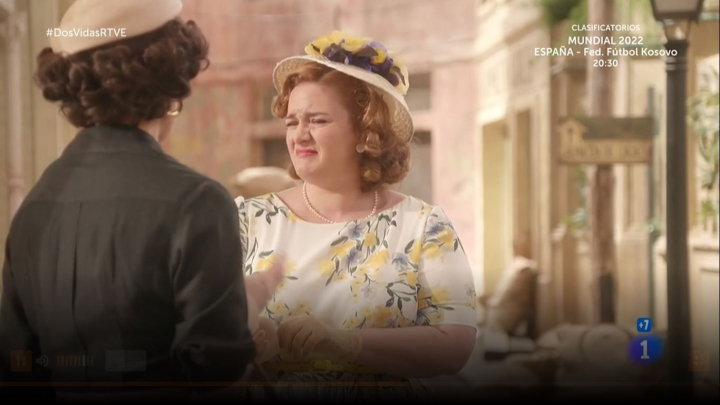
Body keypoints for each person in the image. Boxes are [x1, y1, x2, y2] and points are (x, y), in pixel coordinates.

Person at [0, 0, 282, 401]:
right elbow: (218, 370)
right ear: (168, 83)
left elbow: (18, 366)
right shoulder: (197, 203)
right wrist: (248, 303)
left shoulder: (33, 210)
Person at [237, 31, 478, 400]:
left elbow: (455, 344)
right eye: (291, 122)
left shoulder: (424, 226)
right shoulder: (246, 221)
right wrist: (246, 339)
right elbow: (195, 333)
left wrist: (346, 343)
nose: (299, 135)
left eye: (317, 120)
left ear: (367, 133)